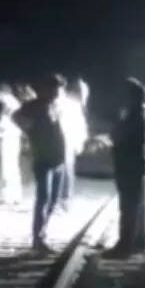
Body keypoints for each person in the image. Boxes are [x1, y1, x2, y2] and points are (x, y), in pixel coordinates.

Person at [14, 74, 68, 253]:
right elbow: (16, 116)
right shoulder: (33, 106)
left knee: (53, 200)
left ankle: (42, 235)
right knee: (43, 199)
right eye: (55, 88)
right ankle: (38, 239)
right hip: (43, 158)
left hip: (58, 158)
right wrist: (30, 131)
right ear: (45, 88)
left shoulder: (55, 105)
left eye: (59, 89)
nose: (57, 92)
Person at [107, 77, 145, 258]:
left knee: (128, 206)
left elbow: (120, 137)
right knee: (138, 204)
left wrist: (113, 135)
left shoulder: (133, 116)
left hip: (129, 164)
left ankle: (125, 245)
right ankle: (140, 240)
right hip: (139, 163)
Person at [58, 77, 89, 212]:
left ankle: (65, 199)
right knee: (61, 171)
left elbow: (80, 125)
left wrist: (79, 142)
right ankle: (60, 199)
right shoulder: (56, 104)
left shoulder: (72, 105)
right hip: (58, 142)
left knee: (67, 171)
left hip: (67, 142)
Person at [0, 84, 24, 205]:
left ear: (2, 92)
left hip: (7, 137)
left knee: (7, 167)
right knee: (13, 167)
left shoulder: (9, 104)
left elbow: (5, 123)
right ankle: (16, 196)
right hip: (13, 137)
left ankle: (8, 197)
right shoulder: (14, 103)